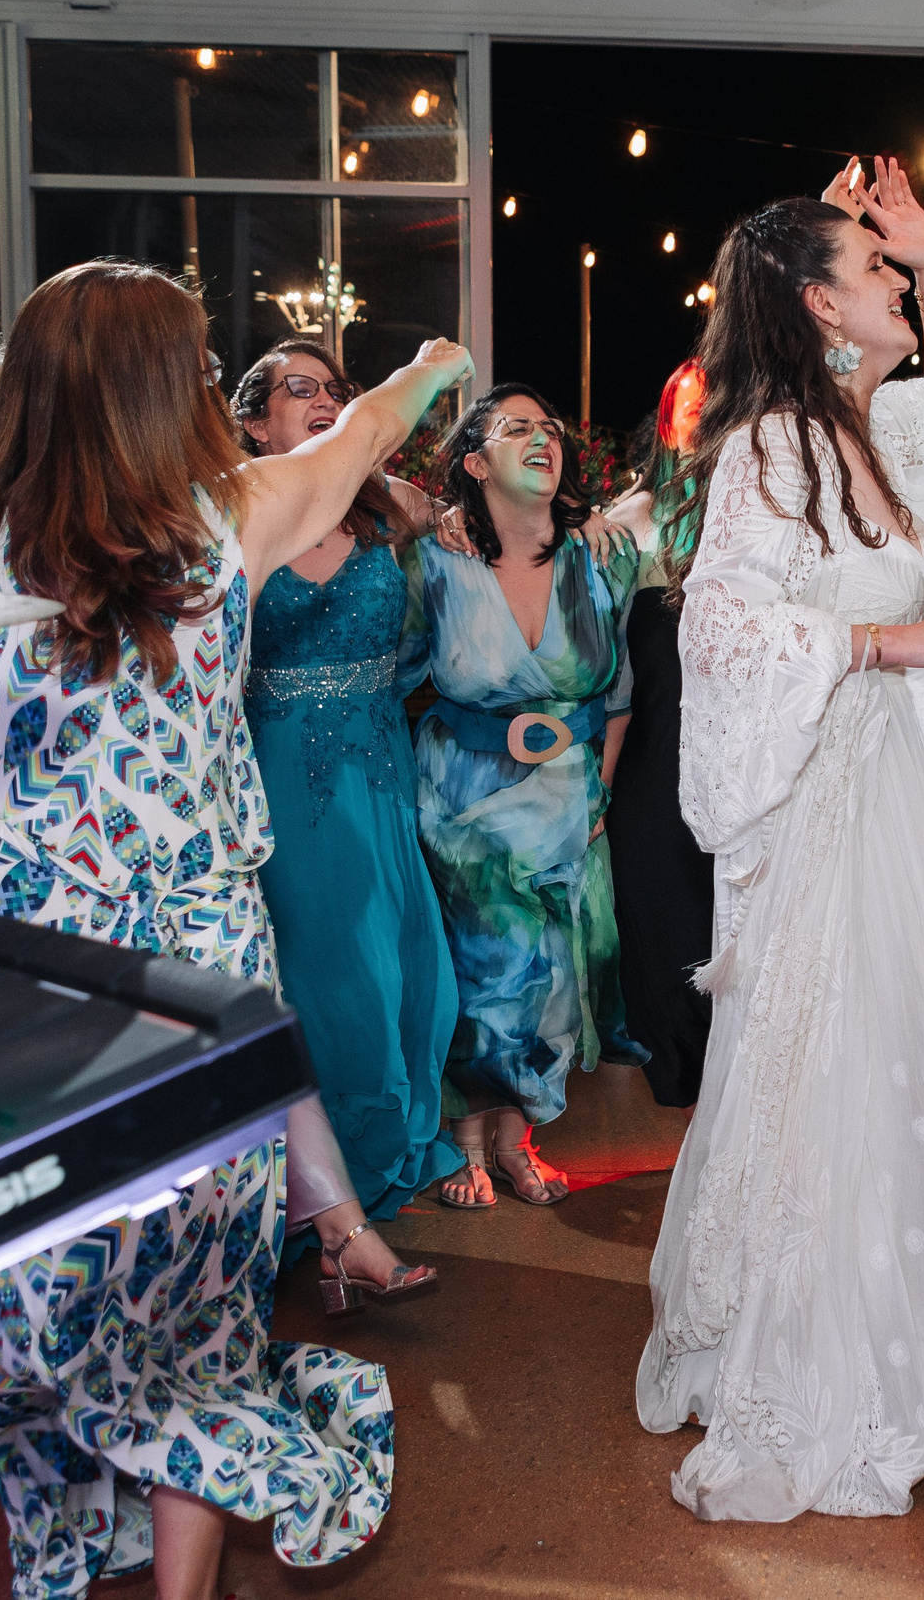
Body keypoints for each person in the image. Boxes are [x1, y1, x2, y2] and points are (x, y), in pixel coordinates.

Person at [0, 258, 471, 1600]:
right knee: (194, 1314)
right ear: (171, 381)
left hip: (14, 974)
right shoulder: (227, 514)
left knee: (19, 1304)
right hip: (198, 977)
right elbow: (372, 431)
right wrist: (432, 364)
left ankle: (73, 1561)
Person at [635, 158, 924, 1521]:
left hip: (884, 791)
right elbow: (717, 624)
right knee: (830, 1069)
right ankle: (811, 1351)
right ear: (821, 304)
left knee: (913, 1058)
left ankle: (901, 1316)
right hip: (827, 810)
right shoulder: (772, 445)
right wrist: (890, 641)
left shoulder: (860, 436)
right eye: (874, 266)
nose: (895, 276)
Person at [230, 337, 454, 1309]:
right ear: (253, 420)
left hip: (377, 768)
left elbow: (482, 541)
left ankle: (349, 1208)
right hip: (282, 775)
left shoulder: (390, 509)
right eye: (299, 389)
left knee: (405, 978)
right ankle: (318, 1219)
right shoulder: (235, 514)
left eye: (336, 390)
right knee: (325, 983)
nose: (324, 402)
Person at [412, 380, 647, 1208]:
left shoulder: (602, 555)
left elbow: (618, 692)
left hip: (570, 800)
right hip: (464, 806)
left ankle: (519, 1141)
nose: (542, 438)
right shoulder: (433, 560)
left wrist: (603, 793)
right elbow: (399, 669)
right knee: (485, 974)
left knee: (554, 978)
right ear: (474, 462)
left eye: (549, 428)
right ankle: (462, 1142)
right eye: (516, 430)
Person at [603, 360, 718, 1107]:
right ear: (667, 420)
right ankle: (676, 1070)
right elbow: (598, 653)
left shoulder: (762, 512)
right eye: (691, 405)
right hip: (650, 751)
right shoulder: (630, 518)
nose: (705, 418)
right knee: (658, 898)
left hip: (738, 746)